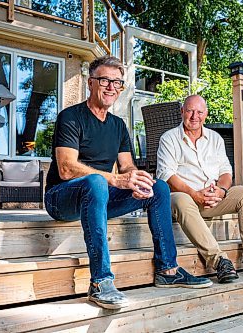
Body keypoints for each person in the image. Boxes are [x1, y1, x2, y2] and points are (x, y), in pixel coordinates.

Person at [44, 56, 212, 310]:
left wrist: (136, 181)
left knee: (159, 187)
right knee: (97, 183)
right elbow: (66, 169)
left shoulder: (118, 125)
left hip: (97, 199)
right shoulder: (71, 117)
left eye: (117, 82)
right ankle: (100, 282)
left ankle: (168, 270)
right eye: (105, 80)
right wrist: (114, 179)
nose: (112, 87)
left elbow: (127, 166)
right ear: (90, 83)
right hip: (61, 199)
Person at [156, 95, 243, 284]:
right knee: (180, 199)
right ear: (182, 112)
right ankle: (219, 260)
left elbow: (225, 172)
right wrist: (195, 194)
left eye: (199, 112)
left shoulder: (215, 139)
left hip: (212, 199)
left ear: (205, 114)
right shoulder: (169, 138)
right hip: (184, 200)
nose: (194, 116)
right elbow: (166, 175)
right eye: (190, 111)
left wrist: (221, 191)